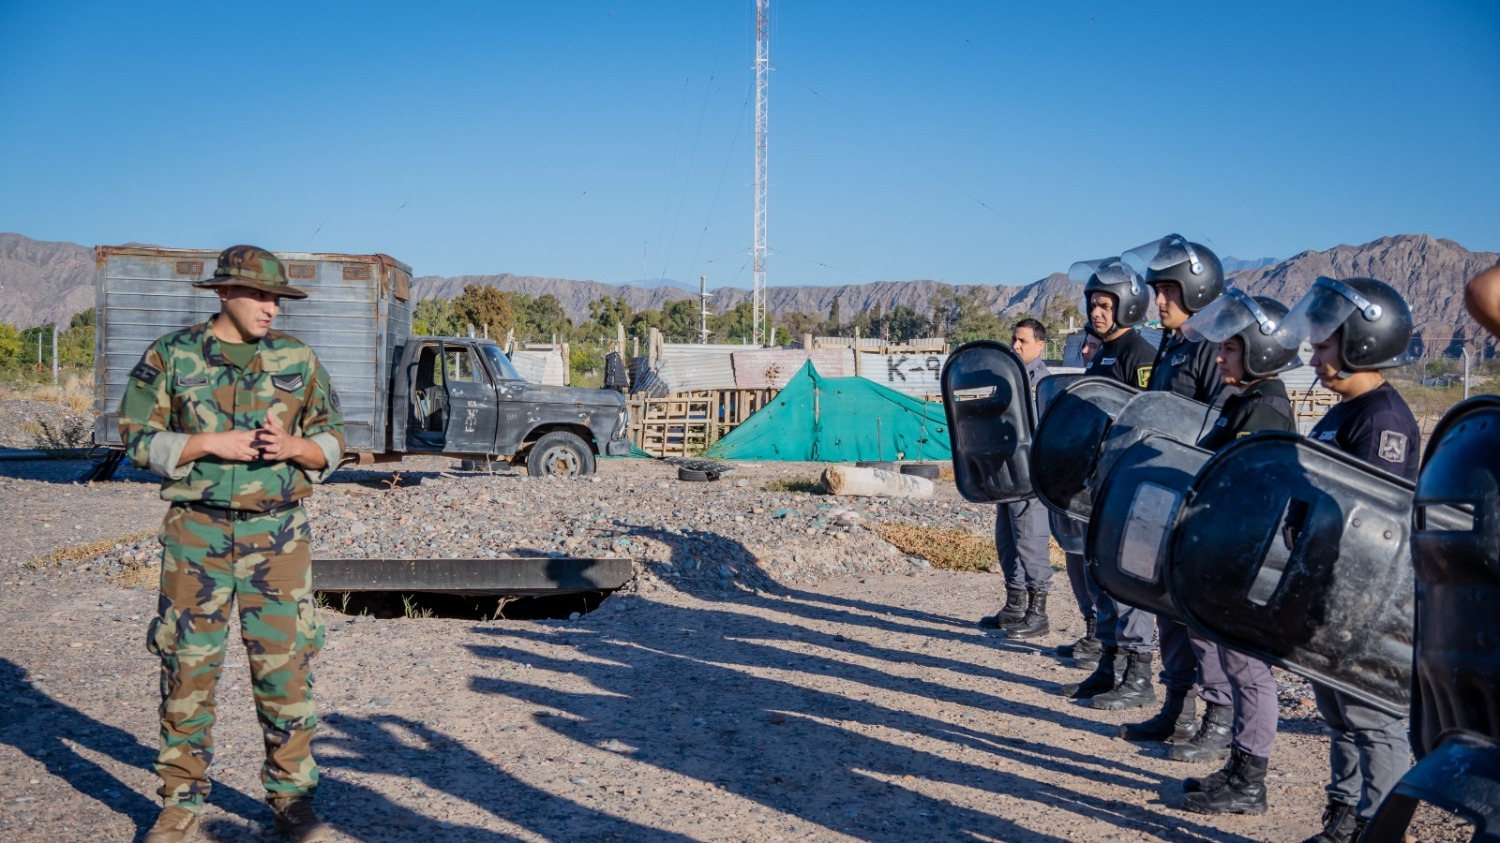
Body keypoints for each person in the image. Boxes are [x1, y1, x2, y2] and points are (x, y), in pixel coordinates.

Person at [121, 245, 345, 843]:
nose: (272, 308)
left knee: (287, 669)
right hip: (196, 534)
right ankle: (179, 805)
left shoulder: (298, 358)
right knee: (187, 670)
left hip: (279, 535)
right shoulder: (172, 355)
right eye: (260, 296)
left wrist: (297, 448)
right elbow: (136, 439)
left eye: (278, 298)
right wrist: (208, 444)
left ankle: (293, 805)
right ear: (223, 294)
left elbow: (334, 438)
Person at [1275, 276, 1418, 843]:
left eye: (1325, 345)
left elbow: (1375, 524)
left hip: (1364, 597)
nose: (1314, 356)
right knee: (1337, 715)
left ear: (1363, 342)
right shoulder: (1340, 414)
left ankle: (1378, 828)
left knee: (1373, 721)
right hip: (1325, 589)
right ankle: (1343, 819)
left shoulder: (1381, 419)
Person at [1172, 291, 1301, 815]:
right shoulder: (1246, 403)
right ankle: (1237, 767)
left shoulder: (1265, 409)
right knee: (1236, 665)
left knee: (1248, 670)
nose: (1219, 357)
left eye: (1228, 348)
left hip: (1250, 562)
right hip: (1231, 558)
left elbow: (1243, 490)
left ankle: (1251, 779)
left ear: (1261, 352)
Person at [1060, 257, 1156, 698]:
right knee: (1101, 577)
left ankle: (1137, 672)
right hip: (1097, 486)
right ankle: (1110, 660)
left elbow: (1147, 420)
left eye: (1105, 305)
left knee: (1126, 580)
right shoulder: (1103, 353)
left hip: (1125, 486)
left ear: (1128, 306)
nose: (1096, 313)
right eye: (1093, 304)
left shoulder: (1139, 356)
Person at [979, 318, 1055, 639]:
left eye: (1023, 341)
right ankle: (1013, 605)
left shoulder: (1044, 383)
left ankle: (1038, 613)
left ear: (1040, 345)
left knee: (1031, 539)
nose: (1015, 346)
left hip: (1030, 476)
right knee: (1007, 539)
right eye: (1014, 339)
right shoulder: (1007, 378)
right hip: (1005, 473)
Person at [1054, 324, 1104, 659]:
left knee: (1094, 562)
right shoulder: (1082, 385)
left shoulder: (1116, 376)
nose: (1084, 352)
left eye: (1091, 346)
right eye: (1083, 345)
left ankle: (1107, 639)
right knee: (1074, 556)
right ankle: (1092, 629)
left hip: (1101, 490)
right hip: (1075, 484)